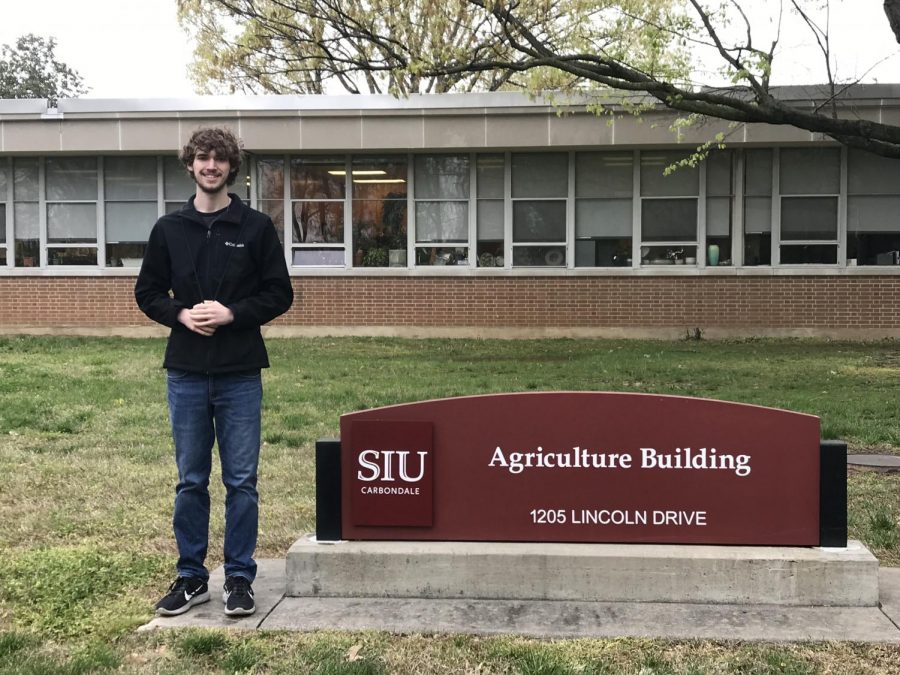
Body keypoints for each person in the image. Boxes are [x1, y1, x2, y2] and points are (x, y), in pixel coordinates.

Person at [135, 127, 293, 617]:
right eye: (202, 158)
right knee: (191, 480)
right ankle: (191, 577)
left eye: (219, 160)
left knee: (242, 480)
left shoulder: (255, 227)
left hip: (240, 371)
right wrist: (180, 315)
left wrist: (231, 314)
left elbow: (278, 293)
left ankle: (240, 579)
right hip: (185, 371)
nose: (210, 166)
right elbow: (147, 293)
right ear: (190, 165)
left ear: (231, 168)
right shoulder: (169, 228)